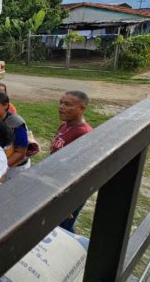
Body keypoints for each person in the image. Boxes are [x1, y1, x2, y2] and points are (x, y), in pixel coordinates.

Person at [52, 91, 94, 233]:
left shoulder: (84, 134)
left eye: (67, 104)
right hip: (55, 184)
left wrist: (69, 200)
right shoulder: (64, 126)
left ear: (82, 108)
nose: (61, 107)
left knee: (61, 229)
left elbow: (82, 172)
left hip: (69, 192)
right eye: (61, 103)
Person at [0, 92, 29, 180]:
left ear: (6, 105)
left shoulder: (16, 123)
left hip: (14, 169)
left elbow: (20, 153)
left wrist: (0, 168)